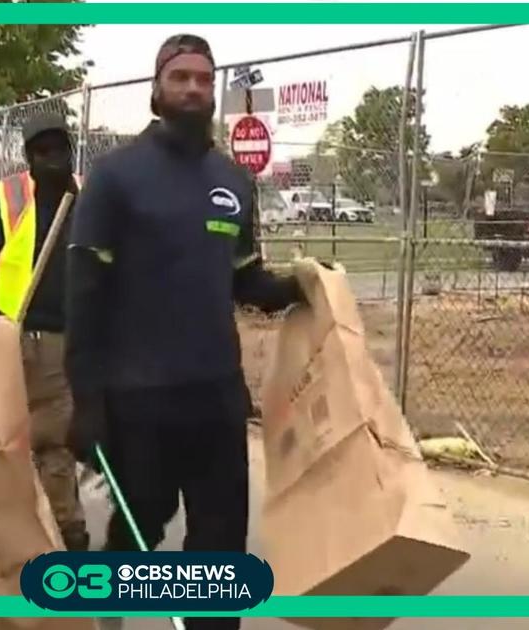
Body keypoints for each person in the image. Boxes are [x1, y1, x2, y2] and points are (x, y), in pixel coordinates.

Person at [63, 34, 320, 630]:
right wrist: (87, 402)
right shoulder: (115, 176)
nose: (194, 88)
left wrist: (301, 286)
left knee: (221, 546)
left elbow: (244, 279)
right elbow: (84, 295)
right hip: (137, 397)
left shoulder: (234, 180)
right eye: (180, 77)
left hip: (215, 396)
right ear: (156, 88)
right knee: (139, 527)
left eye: (204, 79)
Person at [0, 111, 88, 552]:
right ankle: (35, 537)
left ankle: (65, 534)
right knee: (18, 442)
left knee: (55, 443)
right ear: (28, 154)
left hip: (71, 340)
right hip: (15, 335)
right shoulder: (7, 197)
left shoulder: (87, 196)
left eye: (60, 148)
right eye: (42, 150)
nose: (52, 158)